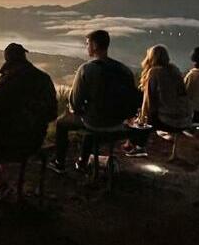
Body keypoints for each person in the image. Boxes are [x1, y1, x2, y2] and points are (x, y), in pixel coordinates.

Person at [48, 30, 138, 174]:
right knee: (91, 118)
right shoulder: (124, 70)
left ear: (95, 45)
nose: (87, 47)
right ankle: (83, 161)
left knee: (62, 123)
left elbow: (75, 103)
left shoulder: (86, 69)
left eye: (88, 44)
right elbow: (131, 99)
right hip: (118, 123)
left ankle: (59, 162)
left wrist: (76, 111)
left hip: (95, 122)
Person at [0, 43, 58, 200]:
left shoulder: (2, 84)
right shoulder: (44, 79)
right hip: (35, 140)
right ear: (24, 56)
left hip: (8, 142)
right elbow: (52, 114)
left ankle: (0, 180)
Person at [139, 45, 192, 136]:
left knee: (139, 125)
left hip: (169, 121)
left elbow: (149, 101)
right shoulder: (174, 69)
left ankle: (138, 146)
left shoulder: (154, 72)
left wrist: (142, 119)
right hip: (186, 119)